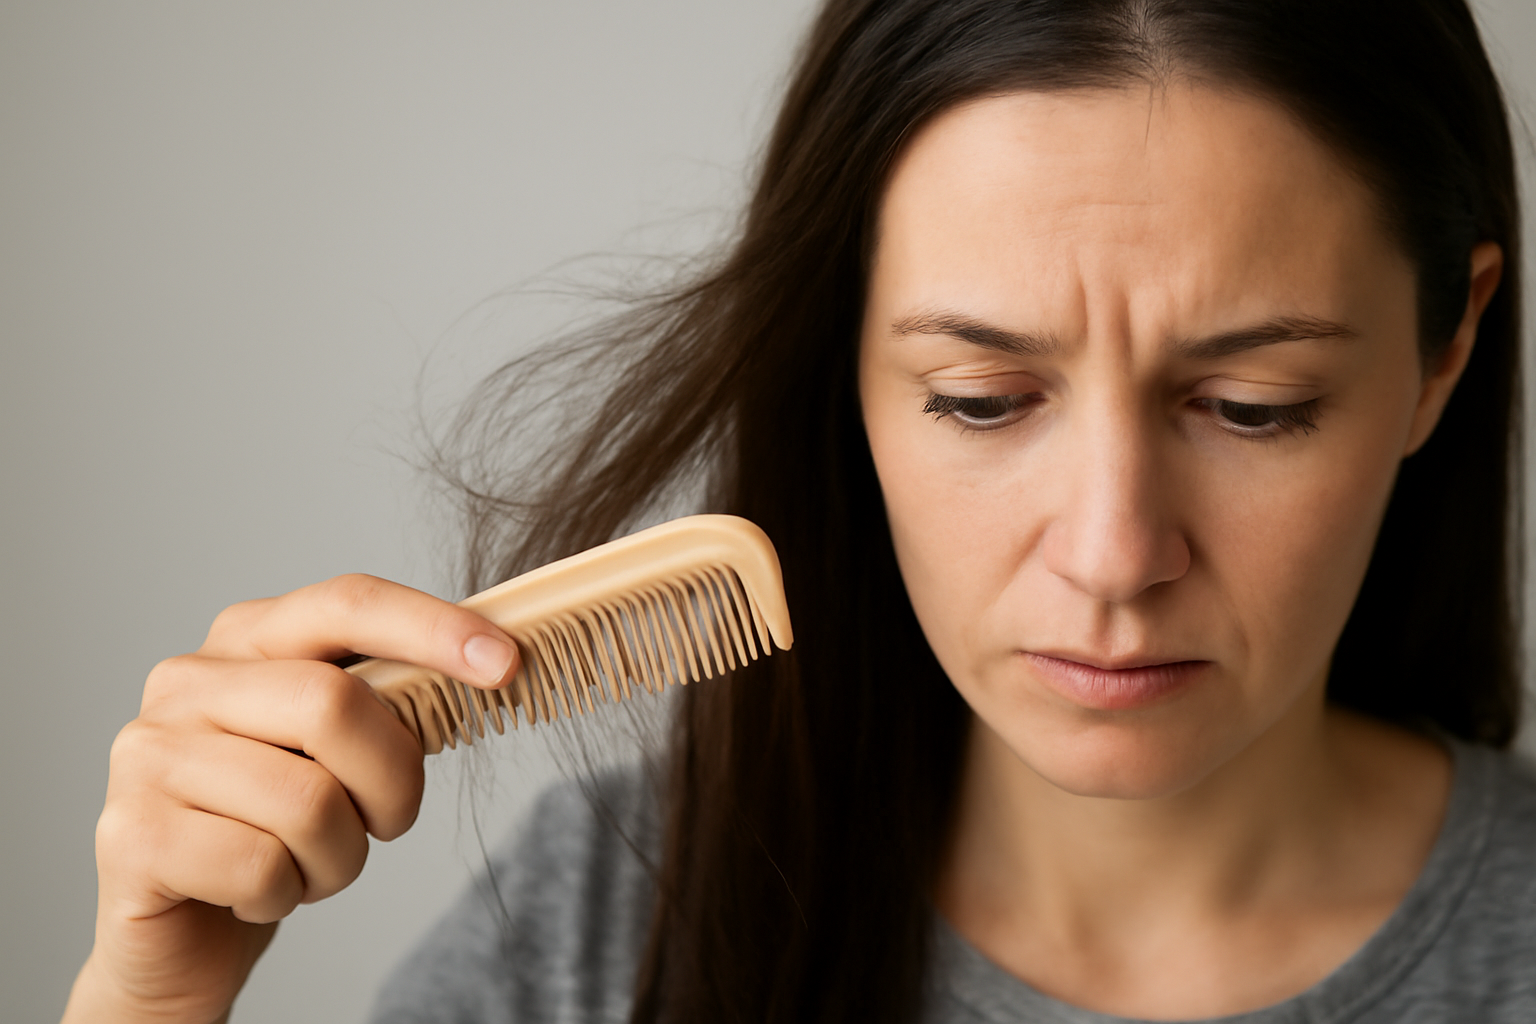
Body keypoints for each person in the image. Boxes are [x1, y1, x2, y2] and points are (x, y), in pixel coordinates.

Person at [63, 1, 1536, 1022]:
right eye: (980, 399)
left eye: (1254, 407)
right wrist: (153, 996)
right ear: (844, 361)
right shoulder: (608, 925)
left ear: (1445, 347)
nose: (1112, 554)